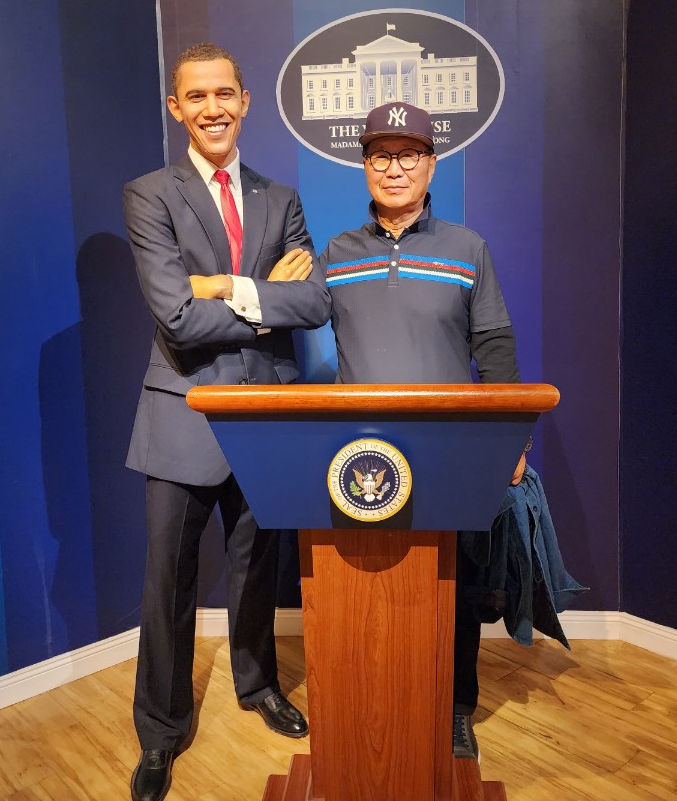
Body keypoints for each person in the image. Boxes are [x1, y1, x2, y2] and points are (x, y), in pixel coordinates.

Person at [122, 42, 330, 801]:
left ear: (244, 101)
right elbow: (177, 318)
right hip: (182, 412)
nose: (212, 109)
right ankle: (161, 731)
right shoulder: (150, 194)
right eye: (197, 97)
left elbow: (315, 302)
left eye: (224, 95)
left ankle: (257, 684)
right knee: (166, 583)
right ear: (177, 107)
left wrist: (223, 287)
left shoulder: (281, 198)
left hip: (267, 413)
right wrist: (261, 294)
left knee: (258, 567)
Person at [319, 101, 521, 763]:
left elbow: (494, 344)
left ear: (432, 165)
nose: (395, 168)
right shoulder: (336, 253)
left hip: (449, 449)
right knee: (367, 584)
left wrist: (512, 439)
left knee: (452, 584)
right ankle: (370, 702)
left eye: (409, 155)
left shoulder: (467, 248)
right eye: (381, 155)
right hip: (360, 458)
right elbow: (290, 312)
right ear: (365, 166)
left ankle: (457, 707)